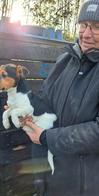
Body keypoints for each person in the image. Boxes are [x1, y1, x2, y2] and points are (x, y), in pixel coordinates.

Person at [21, 0, 99, 196]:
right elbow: (46, 100)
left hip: (88, 186)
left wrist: (47, 138)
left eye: (97, 27)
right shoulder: (66, 60)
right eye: (83, 25)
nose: (86, 33)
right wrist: (24, 103)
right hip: (52, 178)